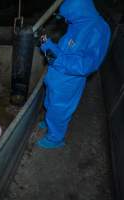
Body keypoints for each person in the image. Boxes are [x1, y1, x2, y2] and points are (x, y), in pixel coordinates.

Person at [37, 0, 111, 149]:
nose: (65, 20)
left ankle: (55, 138)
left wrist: (56, 57)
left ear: (76, 10)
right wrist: (49, 46)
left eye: (67, 16)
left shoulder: (98, 29)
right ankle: (49, 120)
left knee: (60, 109)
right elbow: (67, 49)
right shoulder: (77, 22)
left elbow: (87, 65)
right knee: (50, 100)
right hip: (57, 76)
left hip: (69, 81)